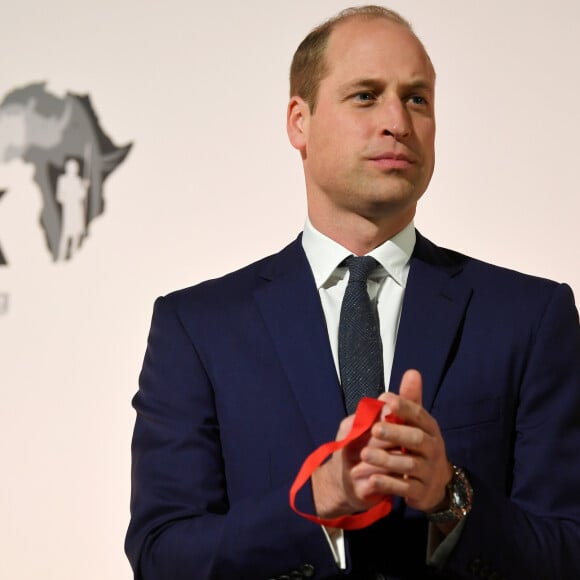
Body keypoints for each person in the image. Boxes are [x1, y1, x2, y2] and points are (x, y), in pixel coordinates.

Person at [125, 6, 580, 579]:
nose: (397, 120)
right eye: (365, 96)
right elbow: (163, 556)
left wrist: (451, 496)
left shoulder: (530, 317)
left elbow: (569, 549)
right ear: (299, 121)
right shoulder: (197, 328)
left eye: (417, 99)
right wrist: (318, 501)